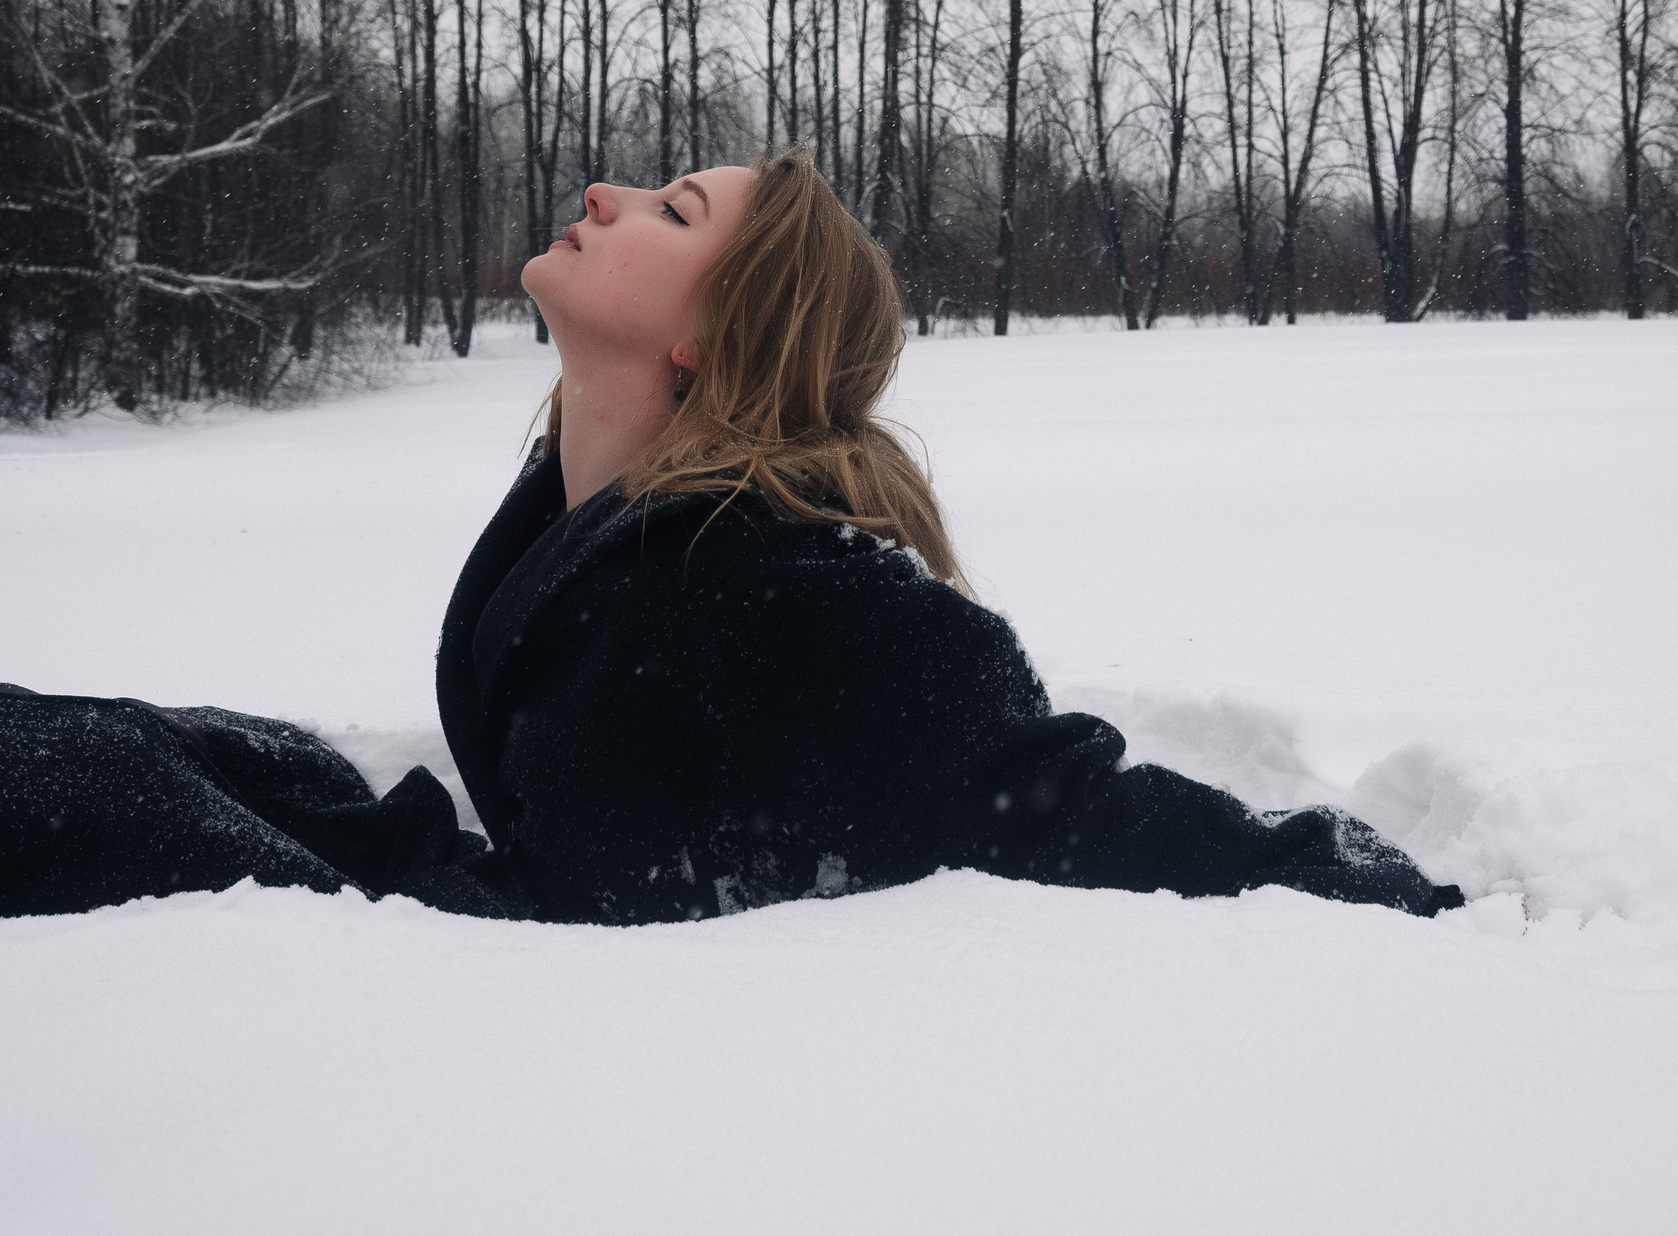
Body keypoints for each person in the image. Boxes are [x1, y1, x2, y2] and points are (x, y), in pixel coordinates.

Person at [0, 151, 1463, 924]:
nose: (604, 192)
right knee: (220, 760)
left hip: (544, 1021)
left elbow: (1054, 810)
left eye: (670, 207)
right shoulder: (606, 529)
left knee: (102, 791)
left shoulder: (777, 588)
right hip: (505, 931)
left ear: (717, 333)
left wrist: (1361, 887)